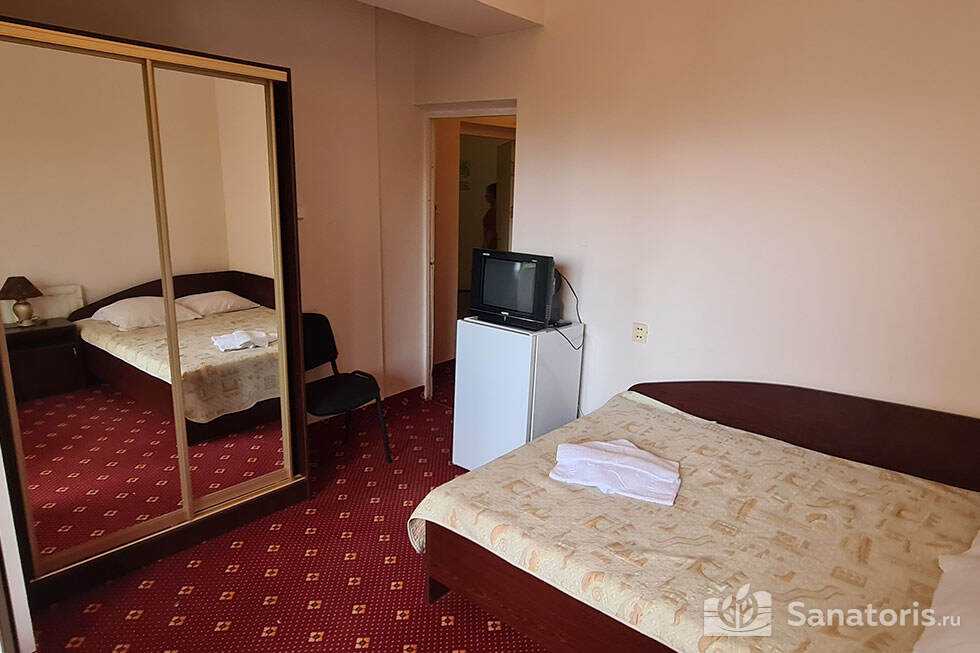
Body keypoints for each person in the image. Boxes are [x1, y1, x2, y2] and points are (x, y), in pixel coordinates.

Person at [482, 182, 498, 250]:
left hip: (491, 246)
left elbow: (490, 231)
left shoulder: (493, 212)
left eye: (488, 193)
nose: (486, 196)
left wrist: (485, 246)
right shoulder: (493, 210)